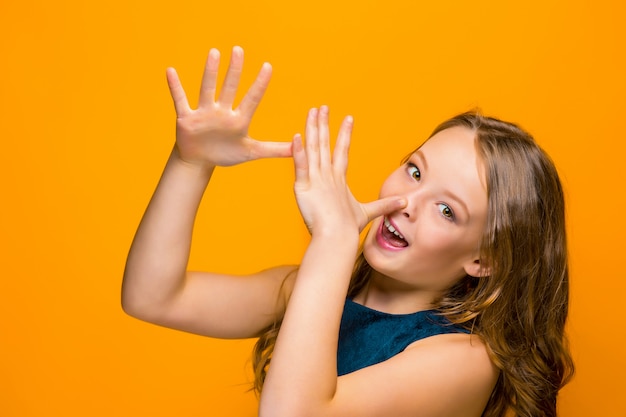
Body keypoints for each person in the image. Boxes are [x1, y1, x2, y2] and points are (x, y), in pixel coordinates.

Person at [122, 46, 574, 417]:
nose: (406, 203)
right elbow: (151, 296)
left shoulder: (465, 360)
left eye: (446, 209)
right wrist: (191, 163)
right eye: (414, 171)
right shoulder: (313, 289)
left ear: (484, 259)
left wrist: (334, 238)